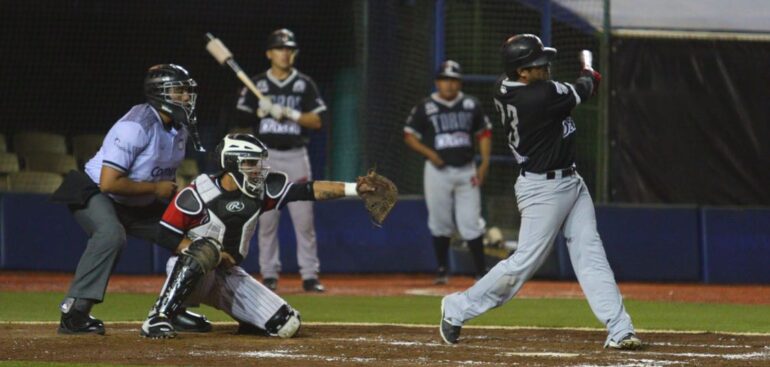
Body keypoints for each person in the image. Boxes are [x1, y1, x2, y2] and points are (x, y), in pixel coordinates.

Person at [439, 34, 642, 350]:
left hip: (571, 182)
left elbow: (571, 91)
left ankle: (619, 328)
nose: (546, 66)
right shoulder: (539, 96)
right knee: (522, 264)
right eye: (538, 64)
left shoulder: (505, 87)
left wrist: (586, 79)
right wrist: (589, 72)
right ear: (522, 71)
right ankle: (457, 308)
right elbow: (586, 88)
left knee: (591, 253)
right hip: (542, 189)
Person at [140, 133, 374, 339]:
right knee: (206, 249)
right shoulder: (198, 193)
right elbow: (164, 235)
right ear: (232, 163)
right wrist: (211, 254)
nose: (257, 169)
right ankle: (160, 315)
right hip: (193, 271)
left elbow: (308, 190)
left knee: (285, 324)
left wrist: (355, 189)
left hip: (227, 274)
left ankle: (245, 317)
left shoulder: (259, 191)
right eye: (250, 163)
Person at [51, 64, 210, 335]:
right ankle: (75, 312)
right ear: (160, 93)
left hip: (140, 202)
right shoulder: (135, 125)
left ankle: (174, 308)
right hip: (98, 193)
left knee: (194, 239)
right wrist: (156, 189)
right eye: (179, 90)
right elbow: (109, 182)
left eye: (186, 90)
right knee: (111, 234)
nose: (186, 96)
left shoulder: (178, 128)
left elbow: (161, 177)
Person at [235, 28, 327, 292]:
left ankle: (310, 275)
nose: (285, 53)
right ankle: (269, 274)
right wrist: (259, 113)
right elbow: (240, 123)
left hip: (297, 155)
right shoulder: (258, 84)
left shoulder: (304, 84)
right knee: (266, 219)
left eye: (289, 49)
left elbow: (317, 120)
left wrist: (288, 113)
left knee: (304, 219)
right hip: (266, 157)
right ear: (269, 53)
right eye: (280, 49)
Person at [404, 60, 492, 285]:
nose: (449, 85)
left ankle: (481, 271)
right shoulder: (426, 106)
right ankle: (442, 269)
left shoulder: (471, 105)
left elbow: (484, 134)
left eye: (453, 80)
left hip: (466, 169)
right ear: (437, 82)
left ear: (460, 82)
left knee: (470, 221)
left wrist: (484, 164)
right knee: (440, 220)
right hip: (437, 171)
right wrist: (429, 153)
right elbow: (409, 135)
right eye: (445, 80)